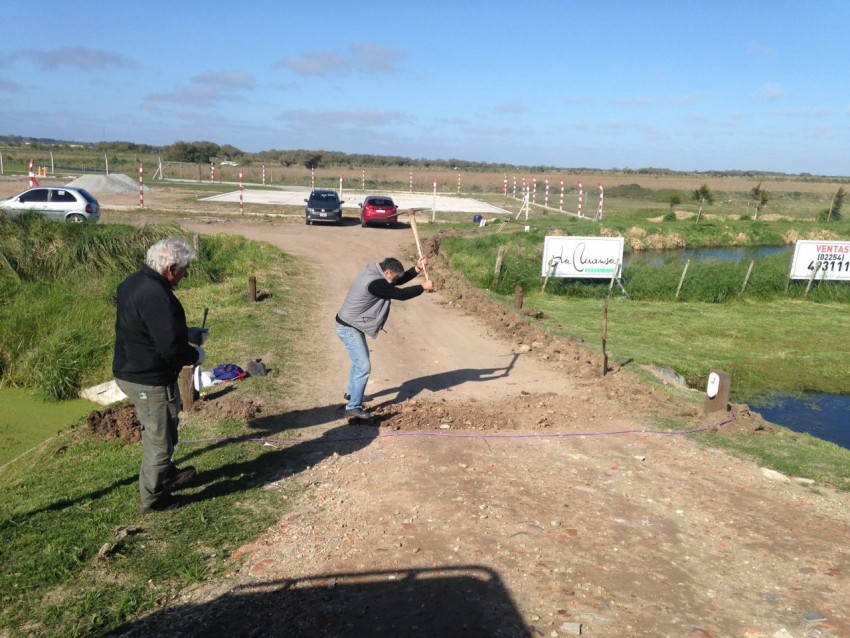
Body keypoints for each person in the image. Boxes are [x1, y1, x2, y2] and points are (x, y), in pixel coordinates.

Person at [113, 237, 208, 514]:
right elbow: (171, 349)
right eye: (184, 270)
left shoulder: (133, 282)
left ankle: (165, 473)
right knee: (161, 442)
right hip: (148, 378)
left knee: (160, 427)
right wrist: (195, 355)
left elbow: (151, 328)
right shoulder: (159, 296)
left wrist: (187, 333)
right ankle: (152, 499)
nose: (186, 275)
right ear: (170, 269)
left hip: (129, 370)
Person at [335, 255, 434, 420]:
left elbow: (396, 282)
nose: (395, 280)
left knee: (360, 362)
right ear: (387, 272)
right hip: (348, 327)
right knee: (363, 366)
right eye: (394, 277)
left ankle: (352, 393)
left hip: (351, 324)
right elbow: (400, 294)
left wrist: (417, 269)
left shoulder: (376, 272)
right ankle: (353, 407)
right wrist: (423, 287)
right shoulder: (375, 283)